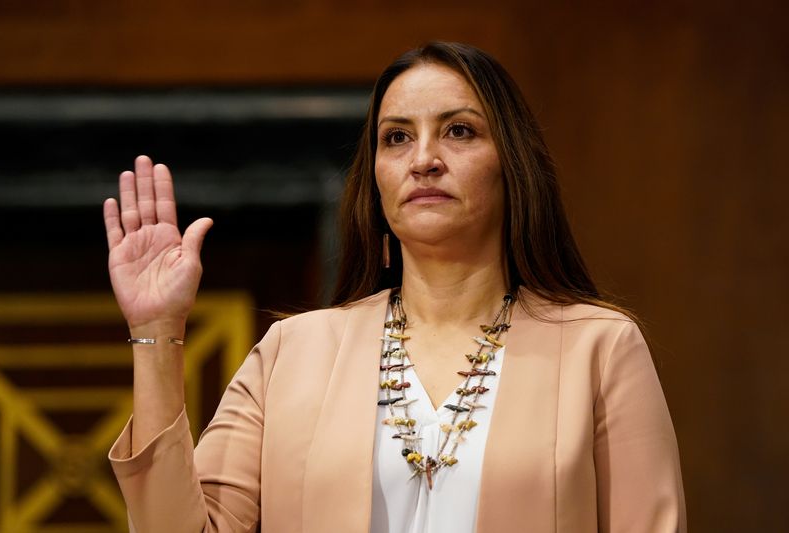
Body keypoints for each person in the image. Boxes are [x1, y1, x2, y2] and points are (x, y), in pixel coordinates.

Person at [104, 42, 686, 533]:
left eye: (458, 131)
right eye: (397, 137)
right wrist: (156, 331)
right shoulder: (291, 353)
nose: (424, 159)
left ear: (512, 166)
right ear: (375, 177)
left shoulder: (600, 348)